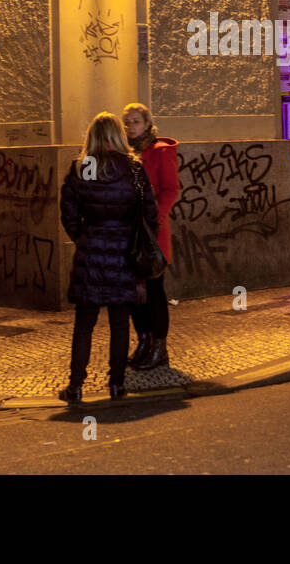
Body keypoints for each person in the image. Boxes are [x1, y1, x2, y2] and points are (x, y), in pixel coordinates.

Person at [58, 112, 158, 404]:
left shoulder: (83, 166)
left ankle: (75, 386)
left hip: (90, 252)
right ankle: (117, 384)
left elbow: (69, 213)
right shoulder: (133, 168)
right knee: (119, 322)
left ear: (92, 136)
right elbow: (149, 213)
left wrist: (84, 237)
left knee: (84, 323)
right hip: (124, 252)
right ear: (119, 135)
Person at [122, 102, 179, 371]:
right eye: (127, 122)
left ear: (146, 124)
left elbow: (171, 189)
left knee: (154, 291)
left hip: (153, 233)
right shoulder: (121, 152)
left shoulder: (160, 152)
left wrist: (157, 216)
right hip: (128, 232)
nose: (130, 126)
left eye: (135, 121)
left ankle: (160, 348)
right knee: (134, 292)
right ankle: (143, 341)